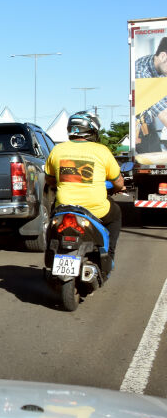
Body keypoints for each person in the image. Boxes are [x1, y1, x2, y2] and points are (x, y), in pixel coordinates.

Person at [45, 111, 125, 260]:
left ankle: (50, 252)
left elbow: (49, 179)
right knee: (116, 214)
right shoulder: (102, 151)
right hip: (96, 210)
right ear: (92, 130)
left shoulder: (57, 150)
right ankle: (109, 255)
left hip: (64, 207)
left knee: (51, 222)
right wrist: (118, 188)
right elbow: (118, 181)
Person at [134, 37, 167, 153]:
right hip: (142, 127)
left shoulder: (163, 70)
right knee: (152, 157)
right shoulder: (140, 71)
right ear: (163, 56)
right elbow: (163, 113)